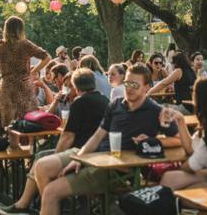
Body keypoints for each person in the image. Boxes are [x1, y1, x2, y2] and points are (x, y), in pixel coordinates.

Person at [33, 64, 179, 215]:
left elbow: (177, 139)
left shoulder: (156, 111)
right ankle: (56, 206)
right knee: (41, 166)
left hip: (113, 168)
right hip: (93, 155)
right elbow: (97, 136)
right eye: (127, 83)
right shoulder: (116, 104)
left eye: (135, 85)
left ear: (147, 87)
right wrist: (79, 158)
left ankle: (55, 202)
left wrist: (152, 141)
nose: (129, 88)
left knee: (51, 192)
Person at [0, 68, 110, 214]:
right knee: (40, 156)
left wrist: (56, 156)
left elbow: (67, 137)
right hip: (94, 152)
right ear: (93, 84)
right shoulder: (105, 100)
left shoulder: (80, 102)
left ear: (75, 87)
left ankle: (51, 204)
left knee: (42, 160)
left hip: (81, 153)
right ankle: (27, 203)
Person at [0, 16, 50, 145]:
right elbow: (47, 57)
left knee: (10, 121)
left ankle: (13, 150)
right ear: (20, 29)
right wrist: (34, 71)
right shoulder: (24, 44)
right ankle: (30, 149)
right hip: (23, 85)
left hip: (7, 86)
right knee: (28, 119)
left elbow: (0, 65)